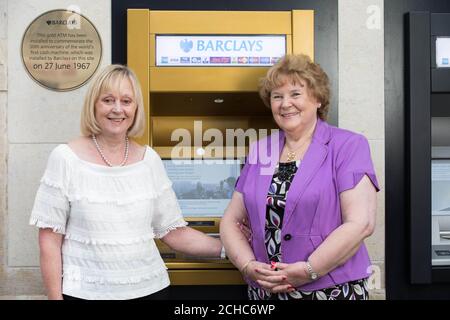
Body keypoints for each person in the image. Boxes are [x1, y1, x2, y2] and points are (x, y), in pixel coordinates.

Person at [29, 64, 225, 300]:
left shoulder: (149, 160)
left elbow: (173, 233)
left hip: (149, 290)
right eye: (108, 100)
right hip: (84, 294)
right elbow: (49, 241)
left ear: (136, 108)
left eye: (126, 101)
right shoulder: (66, 158)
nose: (117, 109)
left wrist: (230, 248)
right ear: (94, 105)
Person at [220, 54, 380, 300]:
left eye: (295, 94)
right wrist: (248, 266)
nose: (285, 104)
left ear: (317, 98)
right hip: (266, 290)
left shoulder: (348, 145)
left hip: (330, 289)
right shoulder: (261, 150)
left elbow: (361, 223)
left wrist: (309, 270)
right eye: (277, 96)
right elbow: (231, 220)